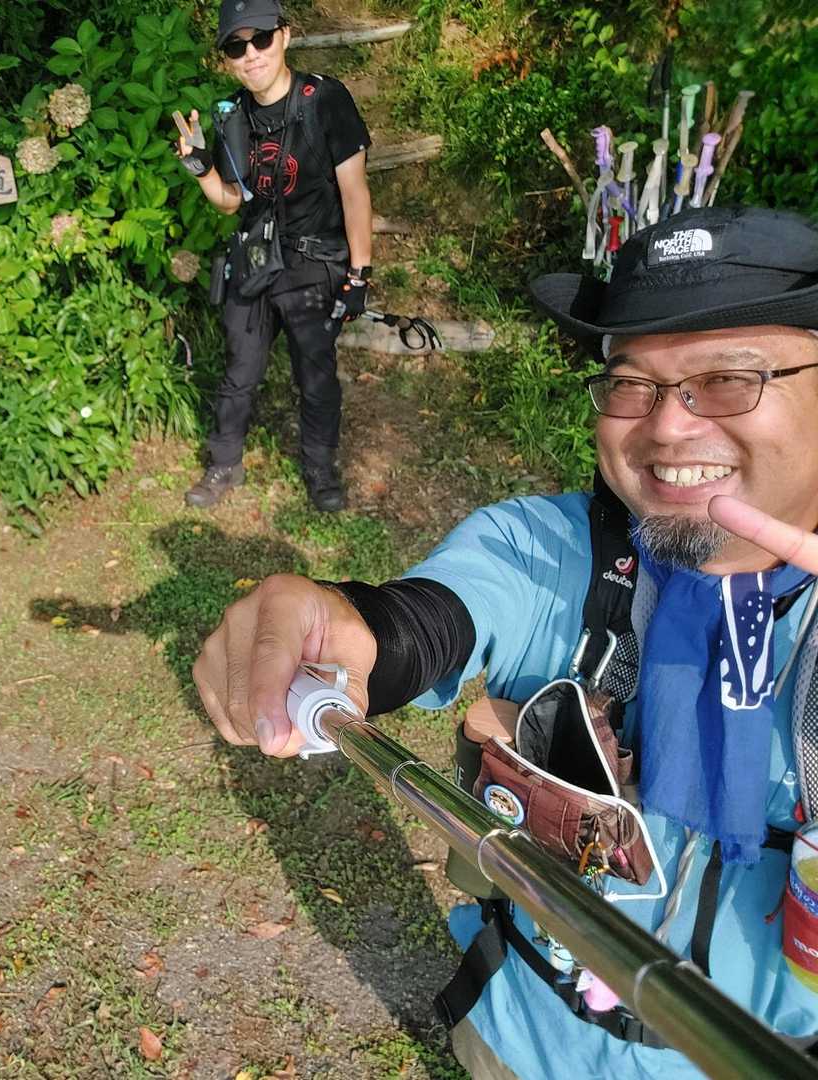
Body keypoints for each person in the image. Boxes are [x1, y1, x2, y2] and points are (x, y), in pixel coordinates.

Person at [193, 205, 818, 1077]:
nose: (668, 427)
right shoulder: (562, 550)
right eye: (630, 382)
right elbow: (429, 619)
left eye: (726, 379)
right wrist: (344, 625)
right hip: (522, 1044)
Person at [176, 0, 374, 512]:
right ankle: (224, 464)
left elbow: (354, 192)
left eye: (261, 39)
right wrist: (201, 169)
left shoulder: (325, 99)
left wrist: (359, 273)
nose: (251, 55)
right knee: (240, 367)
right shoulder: (231, 115)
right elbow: (231, 201)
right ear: (226, 59)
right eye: (236, 47)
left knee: (315, 372)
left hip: (313, 261)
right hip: (256, 257)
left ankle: (319, 468)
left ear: (285, 35)